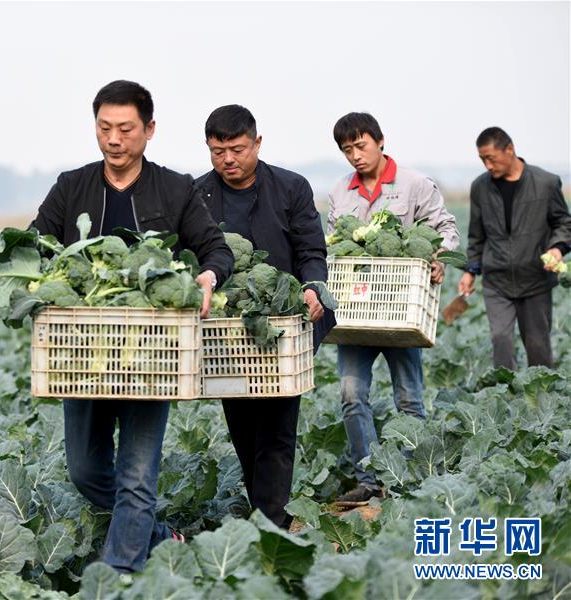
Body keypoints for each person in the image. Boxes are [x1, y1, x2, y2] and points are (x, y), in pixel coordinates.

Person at [31, 80, 234, 573]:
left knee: (138, 476)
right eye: (105, 128)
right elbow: (35, 246)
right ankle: (160, 535)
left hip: (152, 353)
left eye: (125, 129)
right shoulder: (71, 186)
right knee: (84, 471)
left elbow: (217, 249)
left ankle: (118, 578)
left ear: (149, 130)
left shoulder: (175, 188)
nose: (114, 140)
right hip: (82, 353)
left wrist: (208, 277)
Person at [194, 105, 335, 529]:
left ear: (257, 143)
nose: (228, 160)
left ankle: (271, 520)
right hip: (227, 327)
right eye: (218, 152)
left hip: (283, 322)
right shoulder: (197, 194)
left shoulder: (291, 188)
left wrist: (312, 286)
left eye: (237, 149)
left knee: (276, 424)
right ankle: (265, 511)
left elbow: (312, 250)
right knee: (241, 423)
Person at [327, 112, 459, 506]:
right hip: (356, 310)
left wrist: (439, 258)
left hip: (401, 308)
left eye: (360, 145)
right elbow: (333, 241)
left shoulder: (415, 184)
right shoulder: (340, 192)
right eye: (347, 149)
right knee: (351, 394)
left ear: (380, 141)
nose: (355, 155)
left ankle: (410, 476)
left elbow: (447, 228)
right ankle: (368, 479)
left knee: (409, 398)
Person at [459, 127, 571, 370]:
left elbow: (563, 223)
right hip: (496, 280)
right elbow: (476, 235)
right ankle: (507, 398)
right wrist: (470, 271)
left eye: (491, 158)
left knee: (538, 345)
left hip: (536, 279)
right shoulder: (480, 187)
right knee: (501, 340)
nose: (487, 165)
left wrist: (557, 248)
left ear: (509, 149)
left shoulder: (545, 183)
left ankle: (542, 399)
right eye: (482, 159)